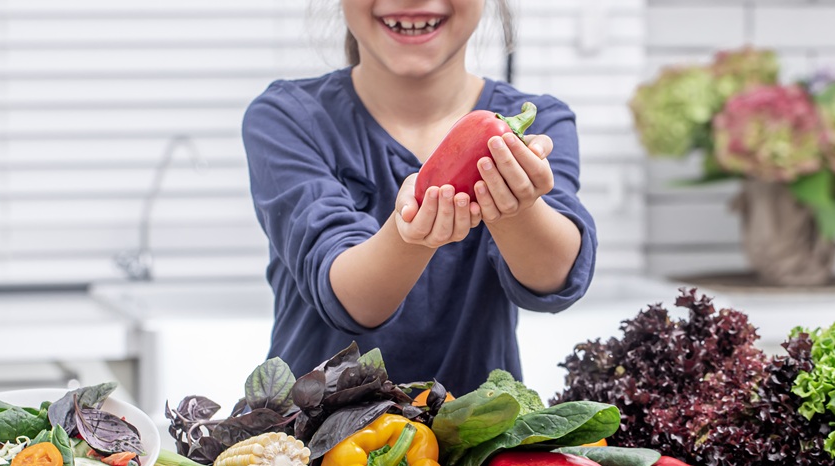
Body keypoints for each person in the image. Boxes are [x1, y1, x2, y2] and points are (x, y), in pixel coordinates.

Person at [242, 0, 597, 396]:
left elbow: (555, 279)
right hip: (308, 449)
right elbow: (352, 300)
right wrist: (410, 235)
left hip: (472, 448)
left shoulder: (544, 120)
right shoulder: (287, 118)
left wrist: (518, 207)